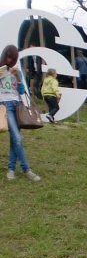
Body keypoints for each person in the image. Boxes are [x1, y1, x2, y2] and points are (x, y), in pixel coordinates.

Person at [0, 45, 41, 181]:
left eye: (12, 57)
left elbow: (22, 91)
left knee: (14, 139)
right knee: (17, 138)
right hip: (5, 107)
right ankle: (26, 169)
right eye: (8, 56)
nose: (9, 59)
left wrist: (17, 76)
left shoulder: (16, 71)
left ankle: (11, 169)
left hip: (17, 106)